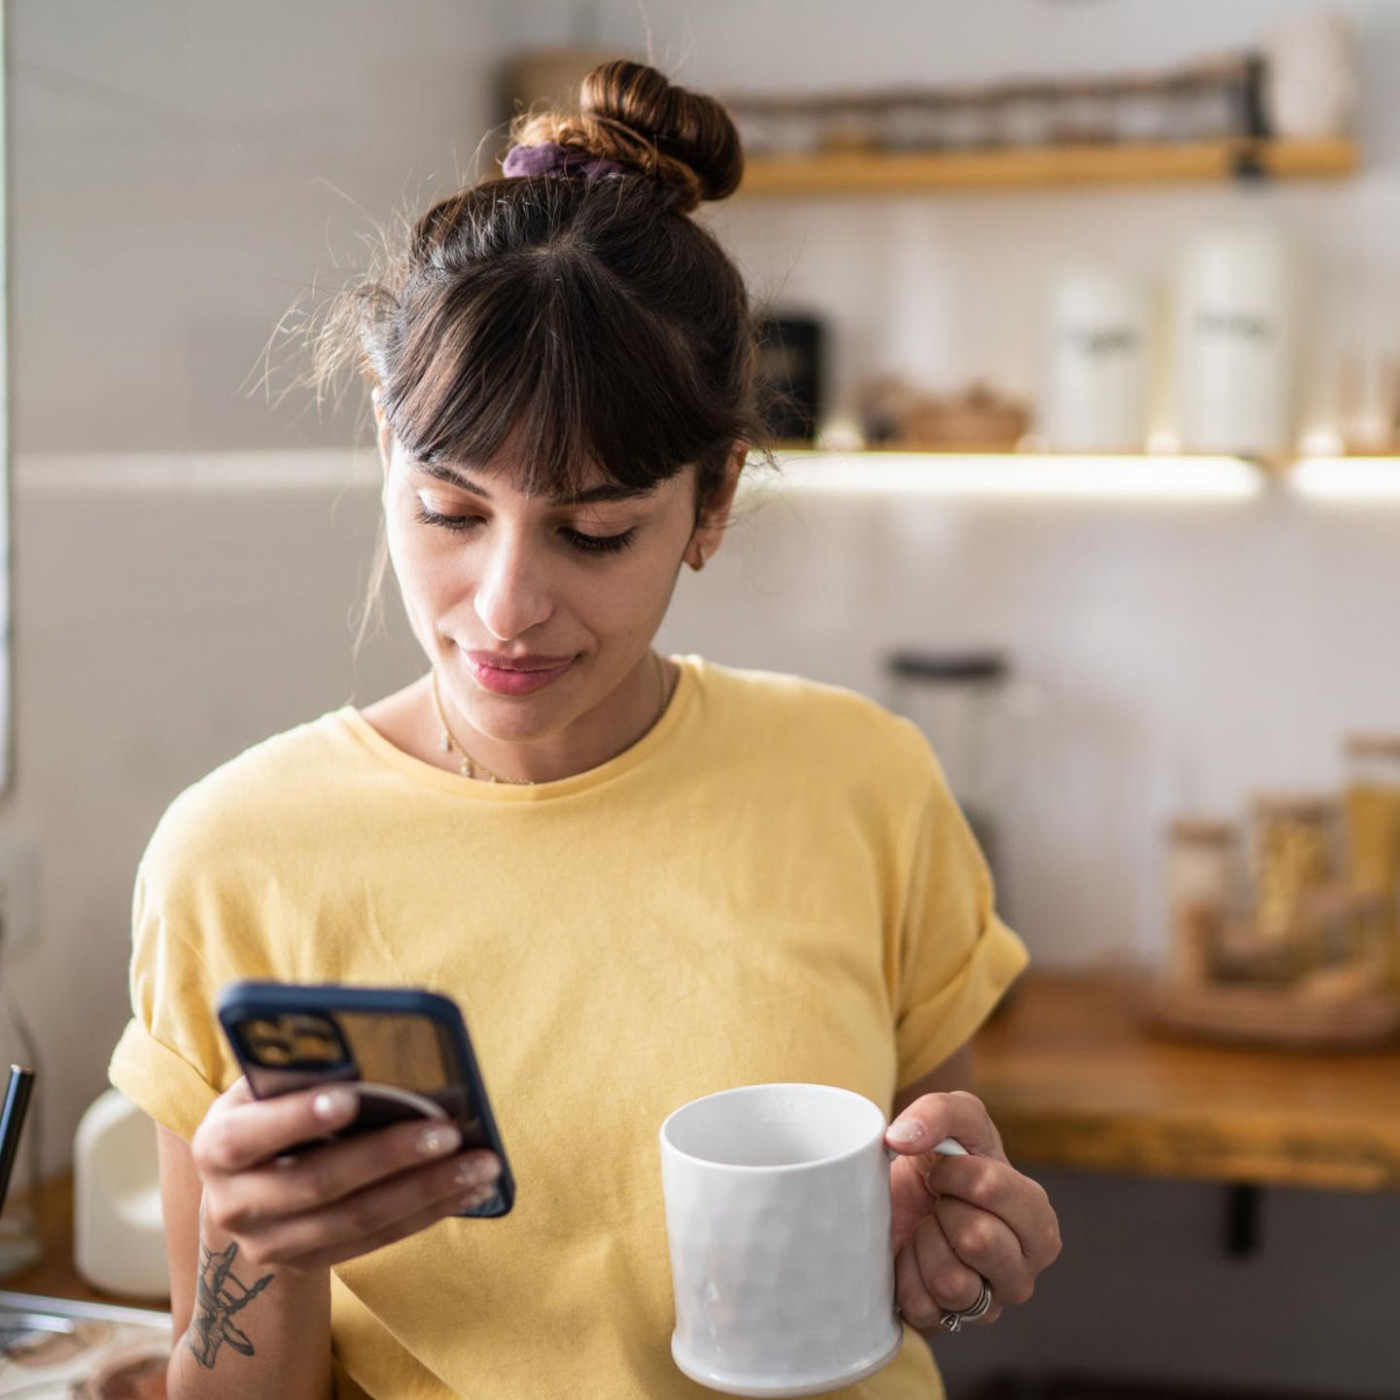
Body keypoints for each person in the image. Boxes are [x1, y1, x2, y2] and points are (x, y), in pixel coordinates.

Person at [109, 59, 1060, 1400]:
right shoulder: (233, 856)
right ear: (386, 448)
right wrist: (263, 1257)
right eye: (448, 510)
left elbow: (930, 1204)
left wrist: (954, 1247)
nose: (504, 606)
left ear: (713, 500)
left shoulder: (865, 783)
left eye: (595, 529)